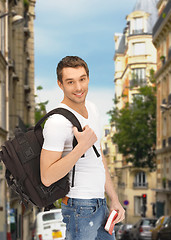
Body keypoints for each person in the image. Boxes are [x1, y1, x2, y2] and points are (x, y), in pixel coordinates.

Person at [40, 56, 125, 240]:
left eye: (82, 79)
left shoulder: (93, 109)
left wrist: (114, 199)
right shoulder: (57, 122)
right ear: (60, 84)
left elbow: (98, 158)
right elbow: (46, 176)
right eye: (70, 82)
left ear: (88, 78)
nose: (78, 88)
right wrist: (81, 147)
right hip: (78, 207)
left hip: (100, 204)